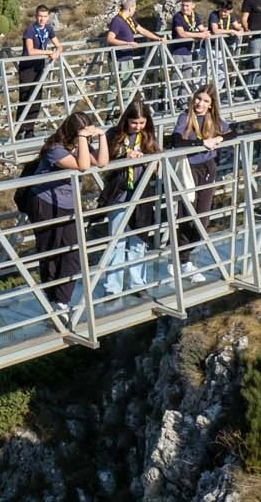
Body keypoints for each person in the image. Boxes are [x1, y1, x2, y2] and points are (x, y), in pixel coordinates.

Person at [27, 110, 108, 330]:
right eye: (84, 134)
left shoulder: (79, 145)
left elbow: (101, 162)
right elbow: (82, 166)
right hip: (45, 203)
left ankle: (61, 300)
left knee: (72, 251)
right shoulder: (55, 149)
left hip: (67, 204)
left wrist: (101, 136)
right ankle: (51, 299)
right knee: (50, 251)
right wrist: (82, 138)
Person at [97, 98, 161, 295]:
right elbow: (103, 162)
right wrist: (124, 158)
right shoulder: (113, 135)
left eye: (142, 123)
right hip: (119, 193)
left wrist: (147, 160)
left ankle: (137, 283)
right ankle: (112, 287)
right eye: (134, 123)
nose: (138, 127)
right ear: (126, 120)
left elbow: (157, 164)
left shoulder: (148, 136)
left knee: (138, 240)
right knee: (116, 240)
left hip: (141, 194)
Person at [167, 85, 225, 283]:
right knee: (186, 214)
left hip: (208, 167)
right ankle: (181, 261)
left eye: (206, 101)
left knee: (203, 220)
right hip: (188, 169)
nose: (200, 104)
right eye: (198, 99)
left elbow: (232, 132)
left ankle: (184, 257)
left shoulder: (213, 120)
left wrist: (219, 137)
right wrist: (201, 144)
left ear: (211, 106)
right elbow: (175, 141)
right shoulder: (185, 117)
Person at [17, 6, 62, 139]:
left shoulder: (48, 29)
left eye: (44, 16)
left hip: (39, 66)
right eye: (39, 16)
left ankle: (30, 129)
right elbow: (31, 51)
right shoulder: (30, 30)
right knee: (25, 98)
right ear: (36, 16)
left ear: (48, 17)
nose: (42, 19)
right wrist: (49, 52)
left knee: (36, 98)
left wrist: (57, 52)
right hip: (27, 67)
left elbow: (59, 45)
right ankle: (19, 130)